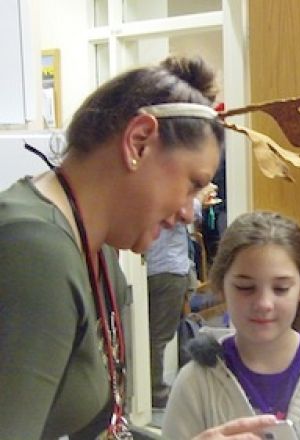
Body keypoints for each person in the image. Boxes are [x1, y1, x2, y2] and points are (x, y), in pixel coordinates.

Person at [0, 55, 277, 439]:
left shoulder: (96, 249)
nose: (187, 212)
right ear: (138, 141)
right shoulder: (32, 251)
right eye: (193, 184)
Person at [163, 211, 300, 440]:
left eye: (280, 289)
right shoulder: (196, 381)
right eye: (245, 287)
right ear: (221, 286)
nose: (263, 304)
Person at [146, 185, 216, 408]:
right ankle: (156, 391)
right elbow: (184, 214)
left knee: (160, 332)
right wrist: (199, 198)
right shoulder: (170, 194)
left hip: (158, 268)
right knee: (160, 335)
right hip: (168, 269)